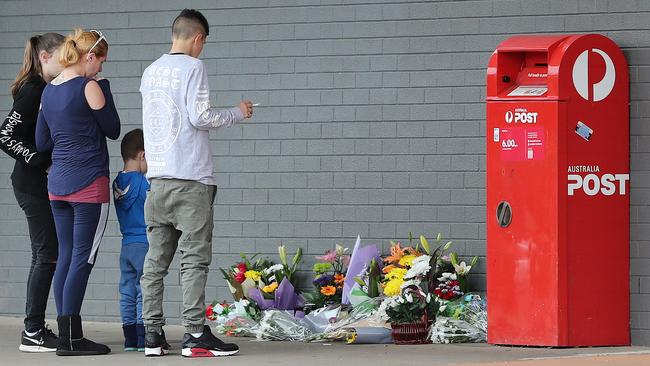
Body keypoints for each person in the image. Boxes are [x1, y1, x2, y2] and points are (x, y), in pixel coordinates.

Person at [139, 8, 253, 358]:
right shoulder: (193, 67)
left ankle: (152, 335)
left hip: (156, 181)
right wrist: (238, 112)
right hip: (191, 180)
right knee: (194, 260)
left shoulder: (150, 71)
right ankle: (194, 333)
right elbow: (200, 117)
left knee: (155, 262)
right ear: (197, 38)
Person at [35, 28, 120, 356]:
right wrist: (105, 89)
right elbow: (113, 130)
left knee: (66, 258)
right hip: (88, 183)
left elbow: (42, 142)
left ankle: (69, 334)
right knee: (82, 258)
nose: (102, 69)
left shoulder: (48, 92)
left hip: (57, 186)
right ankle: (71, 339)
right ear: (89, 56)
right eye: (101, 62)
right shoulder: (90, 86)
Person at [1, 33, 65, 353]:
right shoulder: (32, 90)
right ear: (45, 57)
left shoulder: (47, 89)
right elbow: (4, 135)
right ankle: (33, 331)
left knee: (47, 253)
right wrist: (38, 159)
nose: (67, 61)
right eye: (62, 56)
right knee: (46, 253)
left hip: (40, 185)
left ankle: (35, 327)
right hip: (29, 186)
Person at [113, 129, 149, 352]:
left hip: (126, 245)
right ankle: (143, 335)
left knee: (127, 289)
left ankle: (129, 339)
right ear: (143, 155)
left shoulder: (117, 182)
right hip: (145, 243)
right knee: (144, 290)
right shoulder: (144, 184)